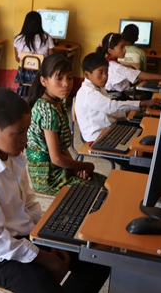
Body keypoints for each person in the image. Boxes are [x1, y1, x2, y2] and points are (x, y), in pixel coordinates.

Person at [0, 88, 110, 293]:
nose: (25, 140)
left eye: (27, 131)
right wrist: (44, 257)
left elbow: (30, 205)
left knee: (98, 262)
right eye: (19, 133)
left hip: (26, 237)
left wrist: (49, 238)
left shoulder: (12, 157)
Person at [26, 54, 106, 196]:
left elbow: (62, 149)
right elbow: (56, 158)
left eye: (69, 77)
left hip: (60, 170)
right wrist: (83, 165)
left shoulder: (58, 103)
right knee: (102, 190)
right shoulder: (47, 110)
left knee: (106, 183)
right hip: (49, 178)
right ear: (43, 81)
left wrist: (75, 168)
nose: (66, 84)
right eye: (59, 78)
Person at [75, 53, 161, 142]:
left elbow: (107, 113)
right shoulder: (89, 93)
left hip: (109, 128)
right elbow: (111, 107)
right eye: (100, 72)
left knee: (142, 127)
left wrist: (126, 114)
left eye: (106, 71)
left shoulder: (98, 87)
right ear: (87, 74)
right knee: (139, 138)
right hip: (97, 137)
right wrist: (143, 103)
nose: (105, 76)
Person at [97, 32, 161, 94]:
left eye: (125, 46)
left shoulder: (106, 62)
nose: (125, 50)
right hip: (116, 100)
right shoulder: (116, 67)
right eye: (121, 47)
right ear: (110, 51)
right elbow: (138, 74)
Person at [13, 10, 55, 98]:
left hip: (23, 75)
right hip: (40, 75)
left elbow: (18, 59)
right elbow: (51, 59)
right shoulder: (47, 38)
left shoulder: (18, 39)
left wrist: (29, 64)